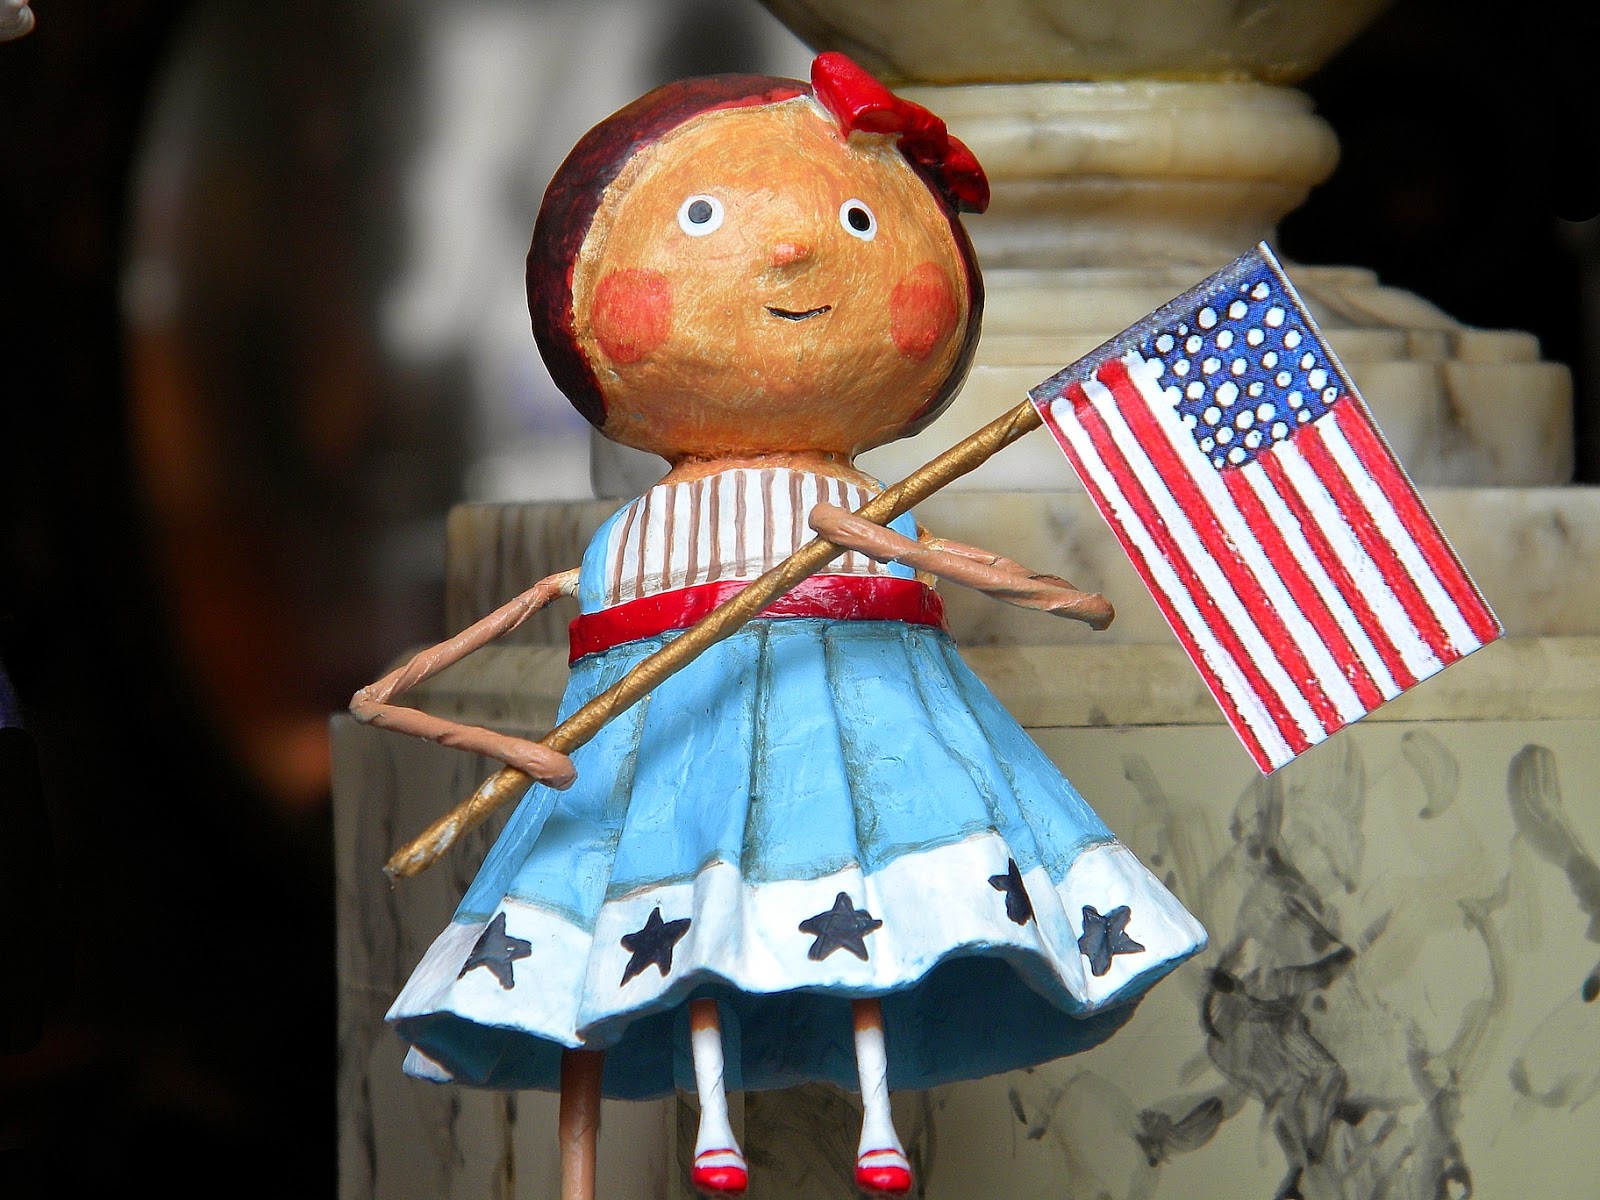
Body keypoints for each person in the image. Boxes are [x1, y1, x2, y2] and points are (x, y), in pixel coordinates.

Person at [353, 52, 1205, 1198]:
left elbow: (942, 563)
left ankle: (874, 1120)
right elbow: (412, 681)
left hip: (863, 746)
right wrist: (494, 739)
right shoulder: (623, 545)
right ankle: (716, 1119)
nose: (796, 248)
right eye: (700, 218)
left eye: (859, 221)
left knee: (872, 915)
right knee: (685, 921)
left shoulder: (863, 509)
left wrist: (1040, 589)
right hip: (661, 768)